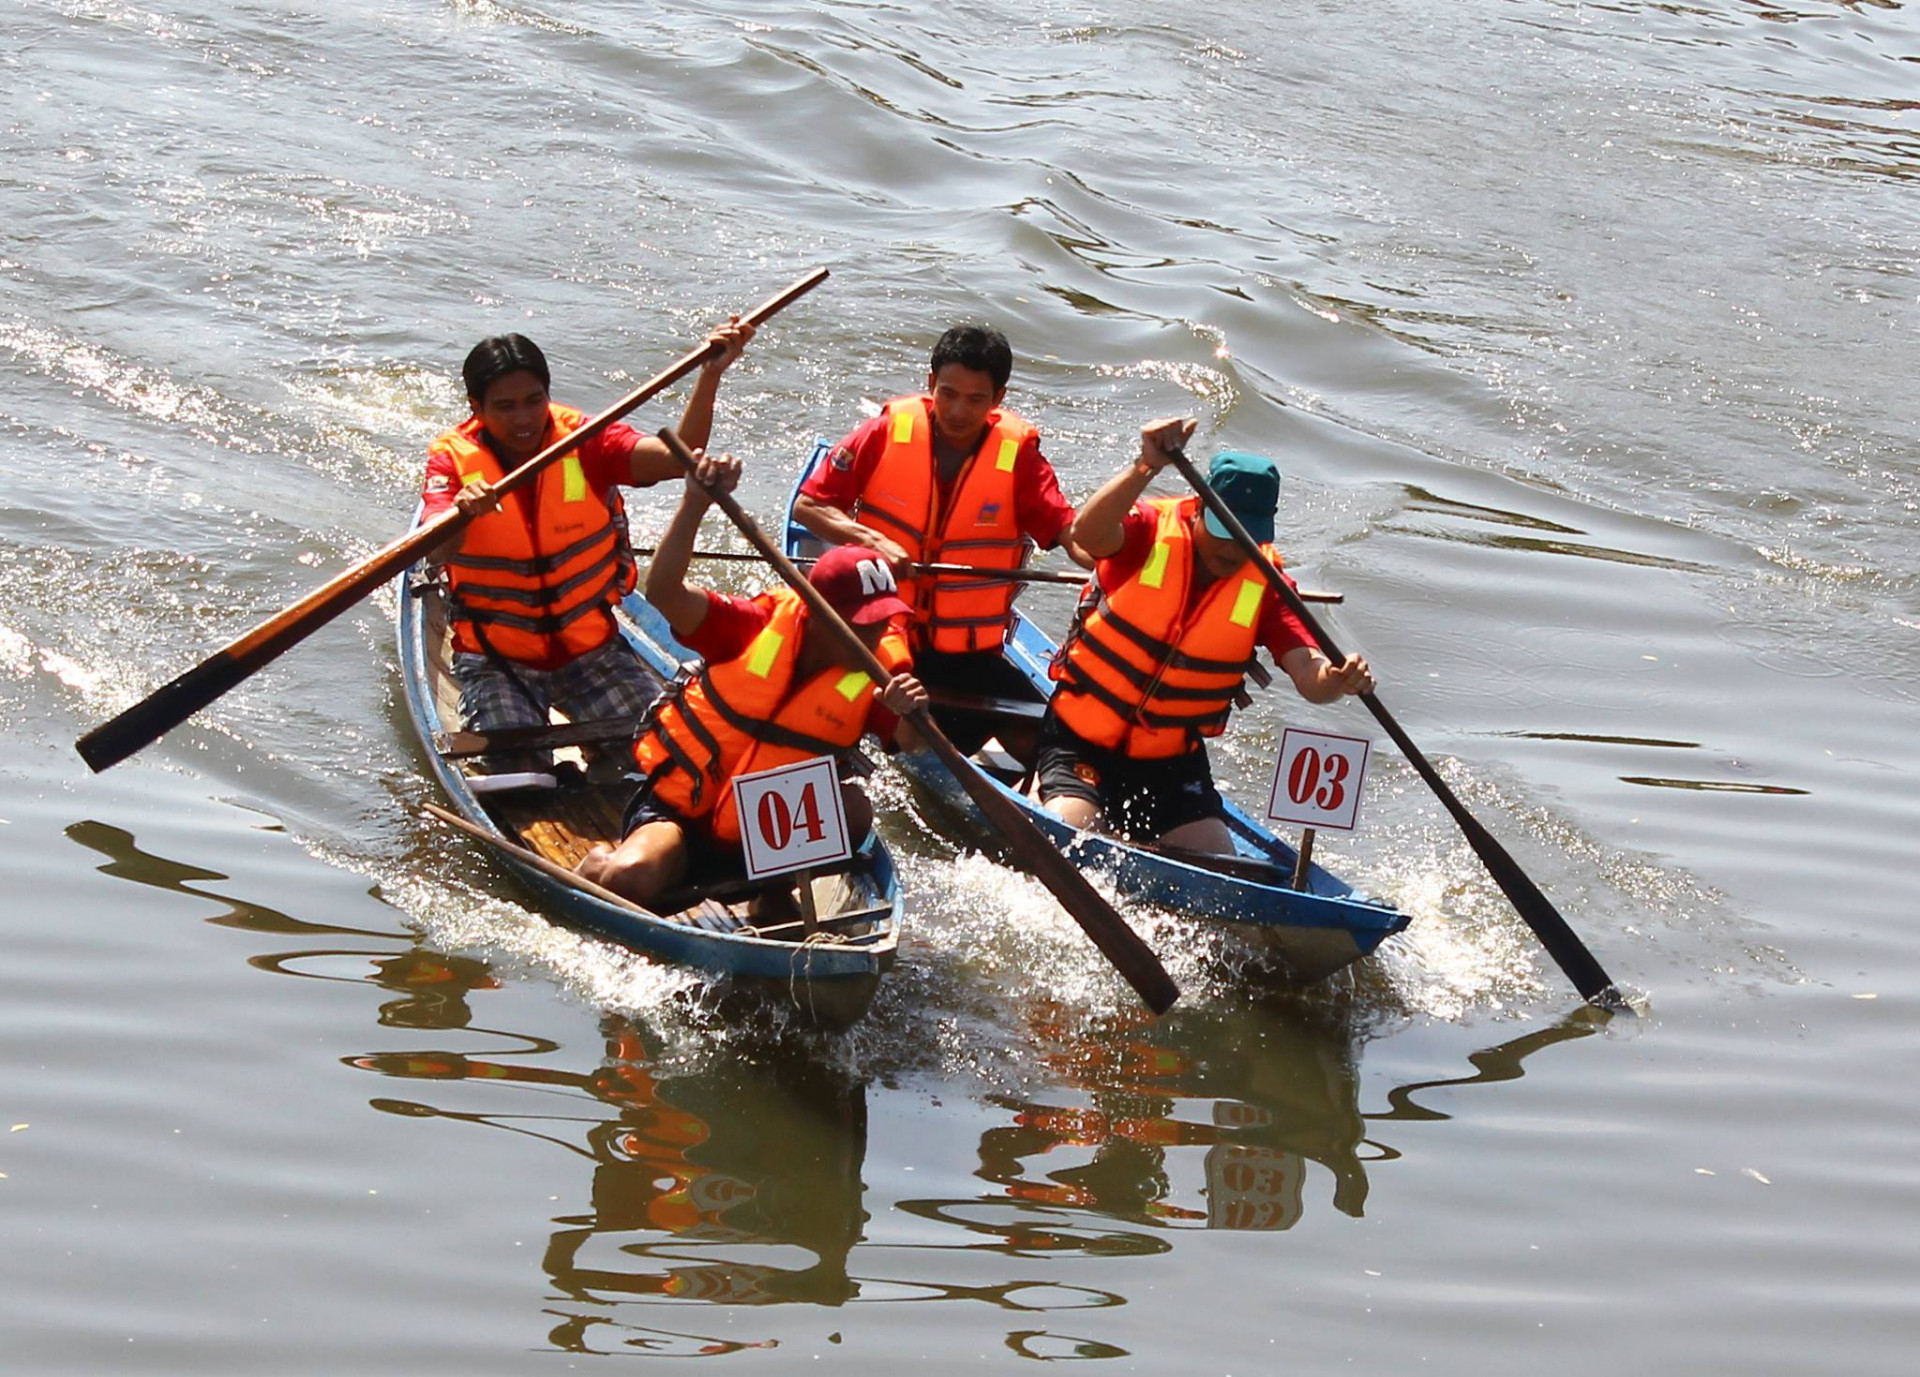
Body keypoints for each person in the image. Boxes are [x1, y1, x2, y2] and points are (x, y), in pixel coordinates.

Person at [577, 451, 928, 909]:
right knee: (630, 879)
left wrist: (913, 712)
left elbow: (913, 740)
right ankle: (601, 860)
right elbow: (663, 592)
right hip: (684, 814)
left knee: (854, 810)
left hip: (768, 837)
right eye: (859, 622)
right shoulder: (756, 625)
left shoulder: (878, 670)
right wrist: (694, 504)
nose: (873, 633)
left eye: (882, 622)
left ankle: (773, 888)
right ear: (818, 613)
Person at [420, 319, 753, 782]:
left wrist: (711, 374)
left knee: (670, 762)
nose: (523, 419)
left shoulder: (584, 437)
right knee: (516, 780)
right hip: (500, 661)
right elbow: (435, 548)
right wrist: (462, 514)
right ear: (476, 408)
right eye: (505, 406)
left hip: (592, 653)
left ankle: (608, 766)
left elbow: (679, 457)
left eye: (534, 401)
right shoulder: (452, 460)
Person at [1037, 417, 1375, 854]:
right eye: (1222, 531)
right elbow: (1087, 534)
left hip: (1170, 765)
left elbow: (1311, 677)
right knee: (1069, 840)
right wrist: (1145, 466)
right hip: (1080, 742)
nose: (1232, 549)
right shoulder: (1149, 531)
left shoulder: (1268, 586)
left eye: (1245, 537)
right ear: (1198, 507)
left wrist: (1338, 680)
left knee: (1222, 867)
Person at [790, 323, 1078, 750]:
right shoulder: (885, 431)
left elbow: (1069, 532)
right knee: (905, 716)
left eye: (976, 399)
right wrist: (873, 542)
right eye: (948, 393)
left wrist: (1114, 555)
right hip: (882, 633)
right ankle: (903, 737)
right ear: (931, 384)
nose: (958, 411)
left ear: (998, 399)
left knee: (1052, 737)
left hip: (968, 653)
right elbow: (808, 507)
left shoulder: (1018, 457)